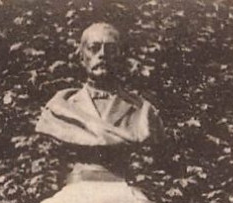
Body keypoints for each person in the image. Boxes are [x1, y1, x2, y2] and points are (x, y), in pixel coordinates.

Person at [36, 23, 163, 159]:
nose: (102, 54)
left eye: (111, 49)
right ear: (81, 57)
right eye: (93, 48)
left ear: (120, 57)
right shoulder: (61, 107)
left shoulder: (142, 110)